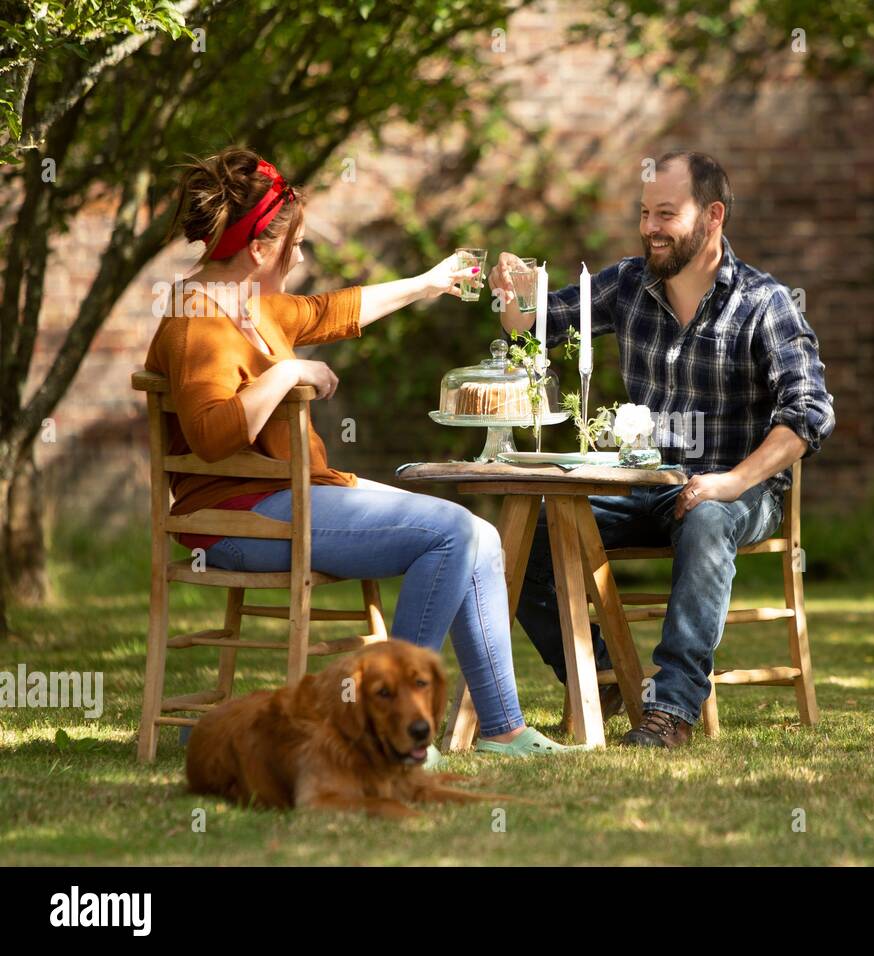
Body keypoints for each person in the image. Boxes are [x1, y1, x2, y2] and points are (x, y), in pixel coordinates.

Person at [145, 146, 580, 758]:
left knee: (479, 536)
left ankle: (502, 728)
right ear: (259, 250)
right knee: (451, 534)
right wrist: (286, 373)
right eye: (294, 244)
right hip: (235, 518)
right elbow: (213, 436)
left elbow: (333, 310)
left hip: (290, 497)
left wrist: (428, 283)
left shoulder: (249, 307)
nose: (300, 256)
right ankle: (386, 730)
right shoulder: (198, 322)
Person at [491, 149, 835, 749]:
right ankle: (600, 677)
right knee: (526, 534)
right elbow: (533, 324)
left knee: (705, 517)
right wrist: (511, 294)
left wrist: (731, 481)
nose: (650, 227)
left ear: (713, 216)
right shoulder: (628, 283)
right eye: (644, 212)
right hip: (643, 487)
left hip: (736, 495)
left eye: (666, 213)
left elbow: (809, 416)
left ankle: (671, 709)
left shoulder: (764, 302)